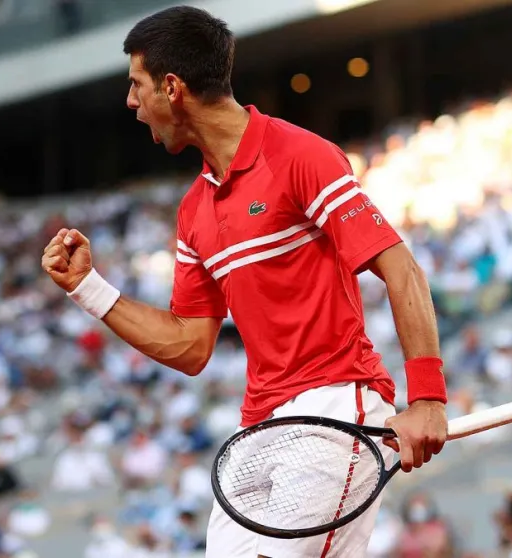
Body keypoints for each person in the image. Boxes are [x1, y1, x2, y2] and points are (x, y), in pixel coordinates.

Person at [41, 6, 448, 558]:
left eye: (136, 86)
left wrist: (427, 397)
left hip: (334, 409)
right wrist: (88, 287)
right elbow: (189, 345)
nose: (131, 103)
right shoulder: (193, 212)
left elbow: (401, 267)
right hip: (258, 432)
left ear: (172, 87)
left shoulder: (301, 155)